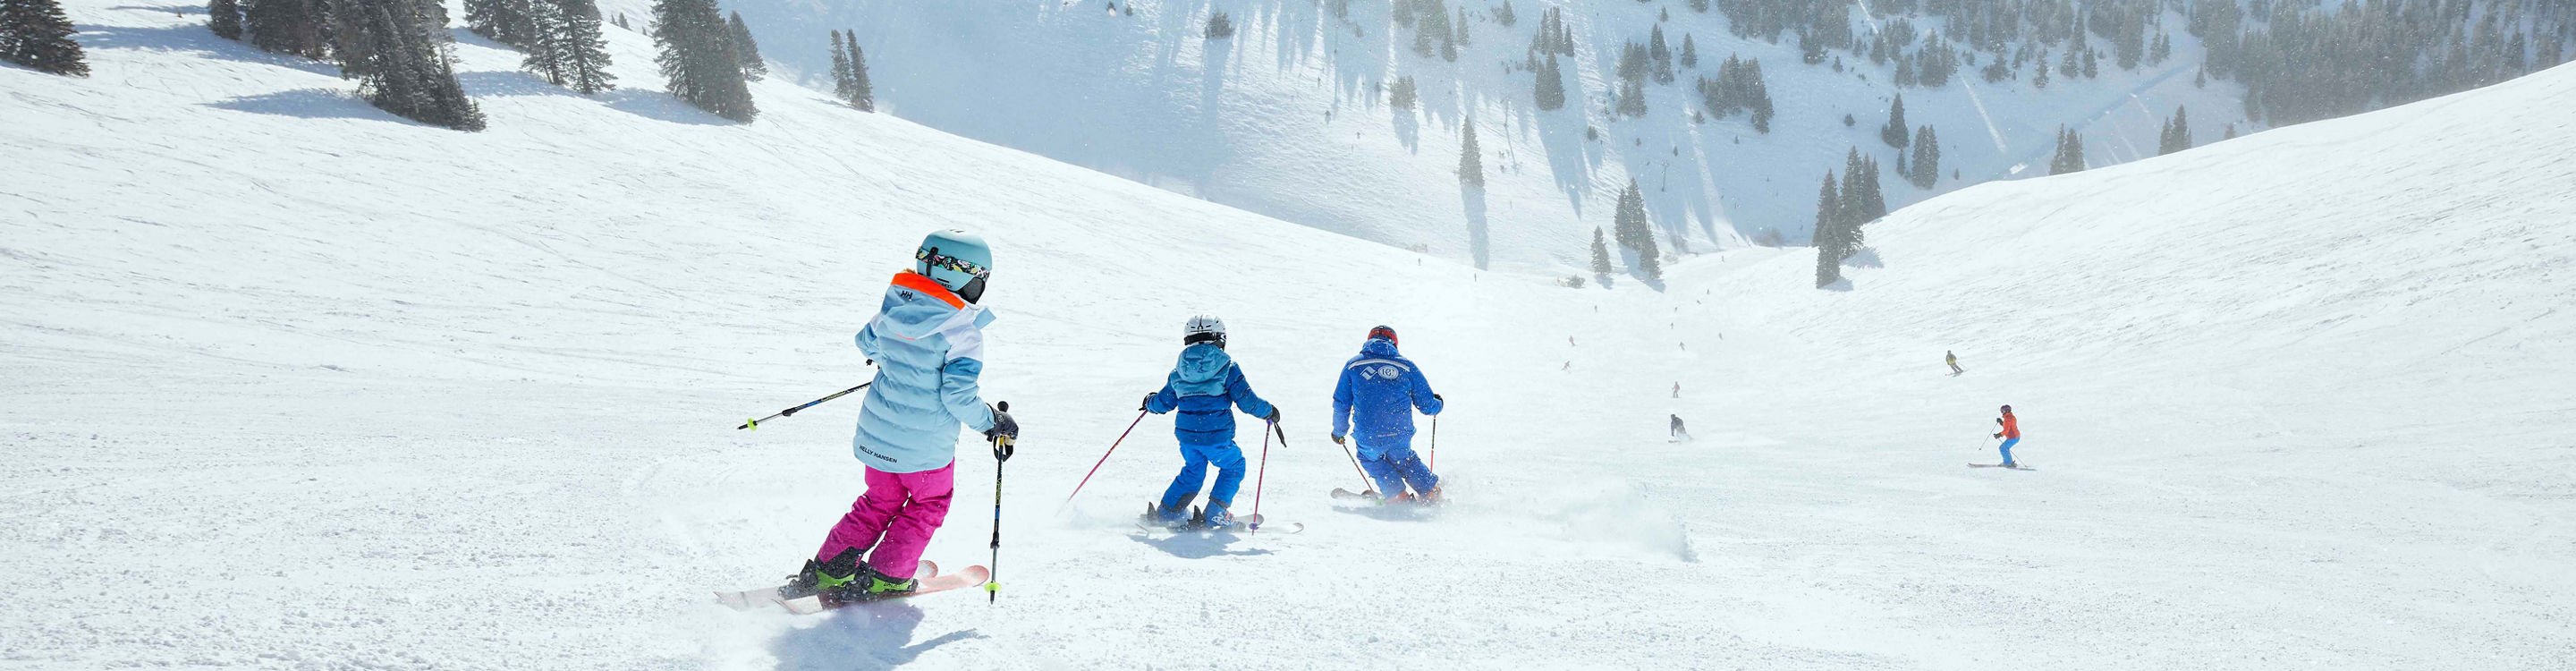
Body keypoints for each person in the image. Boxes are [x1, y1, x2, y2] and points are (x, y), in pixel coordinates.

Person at [784, 229, 1018, 603]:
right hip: (924, 451)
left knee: (878, 501)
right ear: (964, 278)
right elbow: (957, 397)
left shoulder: (895, 307)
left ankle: (827, 571)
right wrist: (994, 422)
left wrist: (896, 362)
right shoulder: (962, 332)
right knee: (928, 503)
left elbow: (866, 342)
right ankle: (887, 576)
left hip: (876, 438)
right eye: (979, 281)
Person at [1141, 315, 1279, 530]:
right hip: (1217, 437)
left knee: (1193, 471)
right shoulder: (1228, 368)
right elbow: (1247, 402)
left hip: (1188, 439)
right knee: (1234, 466)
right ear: (1220, 339)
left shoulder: (1179, 371)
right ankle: (1216, 512)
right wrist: (1269, 412)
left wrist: (1149, 403)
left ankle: (1168, 512)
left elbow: (1164, 402)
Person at [1332, 326, 1445, 503]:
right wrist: (1438, 404)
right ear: (1394, 344)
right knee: (1405, 460)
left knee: (1372, 460)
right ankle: (1431, 492)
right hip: (1399, 433)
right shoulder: (1406, 366)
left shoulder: (1353, 366)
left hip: (1368, 436)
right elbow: (1427, 405)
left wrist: (1339, 432)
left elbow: (1341, 404)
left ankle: (1398, 498)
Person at [1992, 404, 2021, 468]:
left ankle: (2008, 463)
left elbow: (2006, 430)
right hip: (2015, 436)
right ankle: (2008, 462)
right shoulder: (2010, 417)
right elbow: (2008, 426)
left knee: (2003, 448)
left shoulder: (2008, 418)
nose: (2002, 412)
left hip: (2013, 437)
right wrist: (2001, 423)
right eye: (2001, 411)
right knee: (2004, 448)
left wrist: (1999, 435)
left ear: (2007, 411)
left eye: (2003, 411)